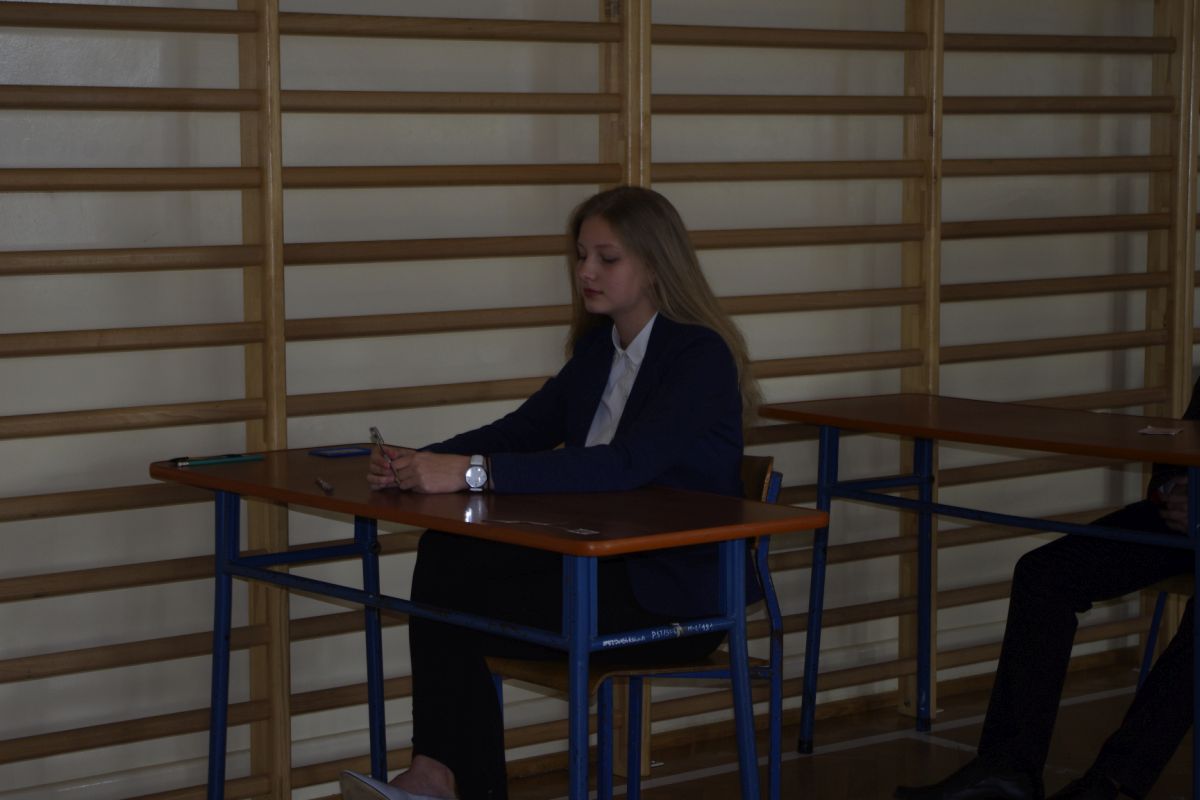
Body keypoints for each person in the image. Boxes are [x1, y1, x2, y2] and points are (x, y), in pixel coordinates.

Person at [338, 185, 762, 800]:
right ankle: (434, 774)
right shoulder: (598, 349)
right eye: (581, 255)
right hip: (595, 566)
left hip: (671, 595)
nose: (586, 271)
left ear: (655, 265)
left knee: (455, 611)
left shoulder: (699, 357)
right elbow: (522, 430)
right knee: (446, 558)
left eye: (607, 258)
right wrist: (420, 459)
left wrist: (468, 473)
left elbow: (622, 466)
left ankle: (445, 780)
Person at [894, 381, 1200, 800]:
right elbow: (1185, 437)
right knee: (1045, 574)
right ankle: (1007, 769)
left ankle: (1109, 783)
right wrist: (1174, 488)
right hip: (1184, 520)